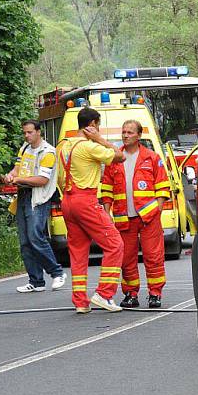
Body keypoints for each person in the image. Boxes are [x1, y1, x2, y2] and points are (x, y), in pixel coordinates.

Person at [56, 107, 126, 313]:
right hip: (85, 200)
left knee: (78, 251)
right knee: (114, 244)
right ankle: (104, 294)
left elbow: (59, 177)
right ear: (93, 125)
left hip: (67, 201)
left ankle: (80, 302)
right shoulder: (88, 147)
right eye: (98, 125)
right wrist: (101, 139)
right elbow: (119, 156)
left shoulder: (64, 146)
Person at [101, 120, 171, 309]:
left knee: (153, 256)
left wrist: (158, 208)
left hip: (148, 217)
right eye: (123, 132)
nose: (125, 135)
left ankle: (155, 293)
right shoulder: (114, 158)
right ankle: (131, 294)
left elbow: (163, 186)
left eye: (130, 132)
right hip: (124, 217)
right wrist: (107, 212)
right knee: (126, 259)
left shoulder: (151, 157)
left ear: (139, 136)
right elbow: (106, 188)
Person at [1, 120, 65, 293]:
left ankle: (57, 272)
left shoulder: (48, 152)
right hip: (23, 195)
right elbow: (17, 169)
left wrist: (19, 180)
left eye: (29, 132)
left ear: (39, 132)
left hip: (38, 198)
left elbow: (42, 180)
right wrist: (10, 176)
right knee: (25, 241)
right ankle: (36, 281)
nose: (26, 136)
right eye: (25, 133)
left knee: (35, 236)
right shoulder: (24, 148)